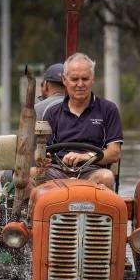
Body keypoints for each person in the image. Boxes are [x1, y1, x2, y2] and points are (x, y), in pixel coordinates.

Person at [43, 52, 122, 189]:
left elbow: (114, 153)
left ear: (93, 79)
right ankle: (26, 210)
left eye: (85, 79)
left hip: (93, 170)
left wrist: (85, 157)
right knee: (28, 175)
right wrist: (42, 158)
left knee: (106, 177)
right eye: (74, 79)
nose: (80, 84)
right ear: (64, 80)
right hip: (57, 171)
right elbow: (42, 150)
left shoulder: (108, 109)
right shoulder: (52, 113)